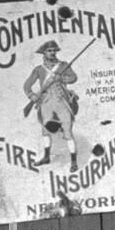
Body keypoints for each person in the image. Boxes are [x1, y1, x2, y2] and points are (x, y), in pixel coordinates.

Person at [24, 40, 79, 172]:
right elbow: (27, 86)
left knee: (67, 131)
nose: (53, 52)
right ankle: (46, 157)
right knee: (45, 131)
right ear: (44, 53)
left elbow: (73, 78)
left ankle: (73, 162)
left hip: (61, 101)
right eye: (49, 50)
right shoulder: (38, 69)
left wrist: (61, 79)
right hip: (46, 102)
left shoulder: (63, 65)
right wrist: (32, 96)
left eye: (54, 50)